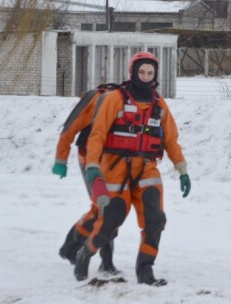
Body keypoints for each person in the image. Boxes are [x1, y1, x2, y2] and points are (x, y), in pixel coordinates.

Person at [74, 51, 191, 286]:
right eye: (142, 72)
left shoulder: (159, 104)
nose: (146, 76)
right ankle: (84, 254)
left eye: (150, 73)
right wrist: (93, 167)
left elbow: (170, 140)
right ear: (133, 72)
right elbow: (97, 135)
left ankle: (145, 271)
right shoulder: (114, 99)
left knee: (155, 219)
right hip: (114, 168)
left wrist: (182, 169)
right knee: (110, 220)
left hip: (146, 168)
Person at [52, 83, 122, 275]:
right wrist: (61, 159)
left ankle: (104, 262)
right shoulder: (96, 97)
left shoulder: (136, 100)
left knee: (113, 207)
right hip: (89, 156)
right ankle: (73, 249)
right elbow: (70, 128)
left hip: (114, 159)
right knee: (103, 207)